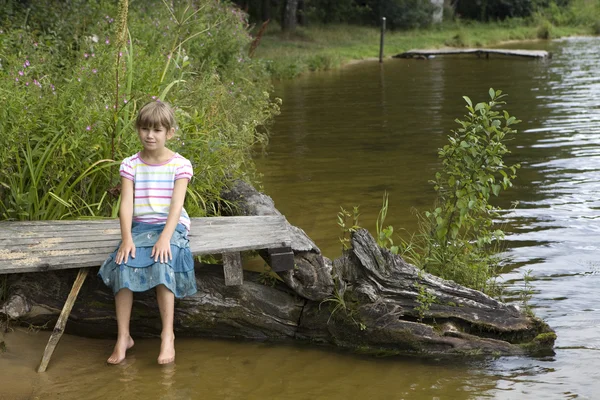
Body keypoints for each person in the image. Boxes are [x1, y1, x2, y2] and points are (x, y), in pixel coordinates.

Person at [98, 101, 196, 365]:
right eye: (144, 129)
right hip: (140, 227)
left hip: (170, 225)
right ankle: (123, 337)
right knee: (123, 264)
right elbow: (126, 205)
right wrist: (127, 239)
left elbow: (176, 207)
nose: (150, 135)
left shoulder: (180, 165)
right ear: (138, 130)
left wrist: (165, 237)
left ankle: (167, 336)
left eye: (157, 130)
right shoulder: (131, 165)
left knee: (163, 262)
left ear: (169, 133)